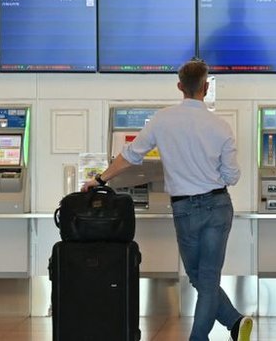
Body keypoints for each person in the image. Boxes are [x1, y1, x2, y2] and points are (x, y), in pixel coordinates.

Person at [83, 59, 253, 341]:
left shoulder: (162, 120)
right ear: (206, 86)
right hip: (217, 206)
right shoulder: (220, 126)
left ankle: (199, 338)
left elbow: (130, 155)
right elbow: (232, 176)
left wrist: (100, 179)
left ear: (179, 86)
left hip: (185, 209)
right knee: (206, 278)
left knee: (201, 278)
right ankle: (235, 323)